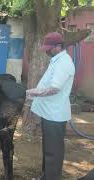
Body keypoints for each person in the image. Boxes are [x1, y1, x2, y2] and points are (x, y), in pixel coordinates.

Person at [26, 32, 75, 180]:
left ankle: (52, 177)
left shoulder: (64, 62)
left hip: (55, 114)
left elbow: (54, 88)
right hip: (49, 113)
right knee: (49, 149)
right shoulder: (56, 60)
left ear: (58, 47)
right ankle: (46, 175)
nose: (47, 51)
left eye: (49, 48)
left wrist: (33, 93)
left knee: (53, 151)